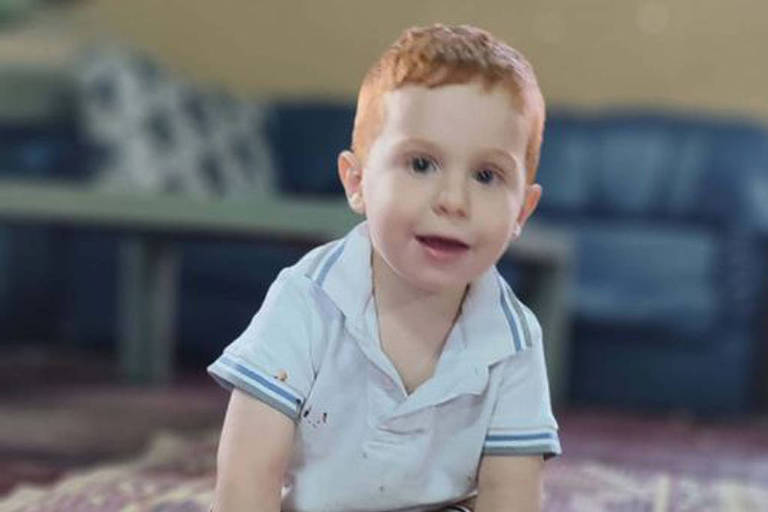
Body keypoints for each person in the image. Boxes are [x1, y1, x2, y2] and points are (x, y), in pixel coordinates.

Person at [207, 23, 561, 512]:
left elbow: (511, 495)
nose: (453, 201)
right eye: (420, 165)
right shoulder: (307, 300)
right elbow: (249, 469)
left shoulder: (514, 339)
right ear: (357, 182)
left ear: (521, 212)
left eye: (486, 175)